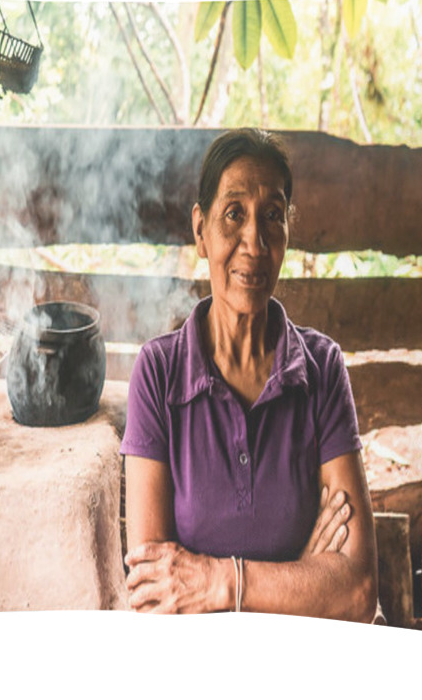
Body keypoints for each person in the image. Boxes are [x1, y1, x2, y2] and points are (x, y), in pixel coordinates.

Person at [119, 128, 378, 620]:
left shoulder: (321, 368)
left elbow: (359, 591)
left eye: (273, 217)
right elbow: (155, 599)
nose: (254, 243)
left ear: (287, 233)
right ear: (201, 231)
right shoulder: (158, 373)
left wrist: (221, 582)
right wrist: (305, 576)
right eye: (233, 214)